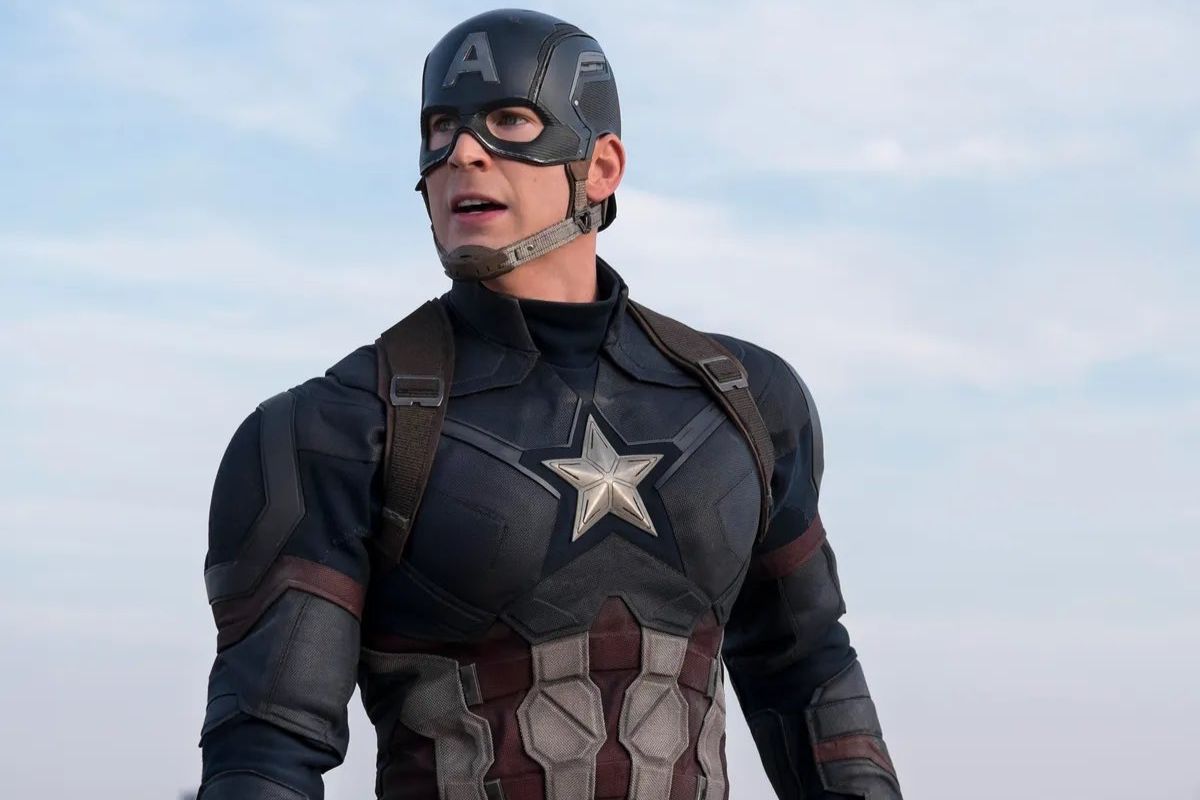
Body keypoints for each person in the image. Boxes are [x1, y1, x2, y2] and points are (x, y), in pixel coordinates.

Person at [197, 9, 902, 800]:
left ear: (600, 166)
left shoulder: (745, 402)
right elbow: (267, 750)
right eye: (440, 129)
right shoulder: (335, 429)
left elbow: (810, 677)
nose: (463, 153)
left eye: (509, 121)